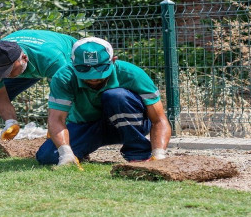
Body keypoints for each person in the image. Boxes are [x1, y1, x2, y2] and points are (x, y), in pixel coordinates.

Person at [36, 37, 171, 167]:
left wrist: (158, 154)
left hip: (130, 124)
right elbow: (56, 119)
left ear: (113, 61)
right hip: (88, 126)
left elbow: (159, 119)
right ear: (73, 63)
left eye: (100, 69)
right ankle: (78, 153)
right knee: (48, 157)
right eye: (84, 70)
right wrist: (65, 153)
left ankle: (139, 154)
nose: (93, 79)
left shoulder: (132, 74)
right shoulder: (63, 77)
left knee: (116, 96)